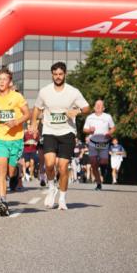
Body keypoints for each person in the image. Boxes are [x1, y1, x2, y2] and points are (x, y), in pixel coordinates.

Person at [30, 62, 89, 211]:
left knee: (63, 167)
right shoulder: (44, 91)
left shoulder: (73, 92)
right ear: (52, 75)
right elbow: (37, 108)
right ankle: (52, 188)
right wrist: (34, 124)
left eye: (60, 74)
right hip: (49, 131)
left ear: (65, 74)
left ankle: (62, 199)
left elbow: (87, 107)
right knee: (49, 164)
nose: (57, 77)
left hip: (67, 132)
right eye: (55, 74)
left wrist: (78, 112)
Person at [0, 67, 30, 216]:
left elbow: (27, 114)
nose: (2, 82)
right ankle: (3, 202)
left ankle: (16, 171)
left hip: (16, 139)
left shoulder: (17, 97)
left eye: (5, 79)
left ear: (10, 82)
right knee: (1, 170)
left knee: (10, 172)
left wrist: (16, 122)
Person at [83, 100, 116, 190]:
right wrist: (89, 130)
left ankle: (103, 169)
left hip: (104, 143)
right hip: (93, 143)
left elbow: (113, 128)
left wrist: (109, 133)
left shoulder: (107, 117)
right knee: (93, 164)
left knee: (103, 162)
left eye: (100, 105)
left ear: (103, 108)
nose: (98, 106)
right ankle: (98, 183)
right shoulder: (90, 117)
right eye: (96, 105)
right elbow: (84, 129)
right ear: (94, 107)